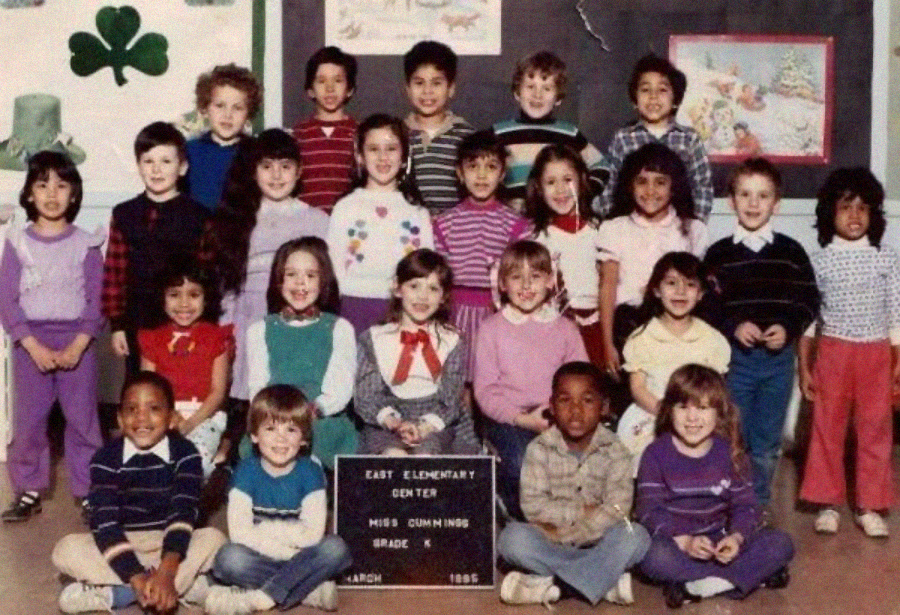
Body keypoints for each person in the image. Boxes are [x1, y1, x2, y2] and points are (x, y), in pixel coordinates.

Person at [202, 128, 329, 462]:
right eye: (267, 166)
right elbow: (227, 287)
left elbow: (325, 283)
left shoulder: (316, 220)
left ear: (300, 171)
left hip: (293, 317)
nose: (276, 175)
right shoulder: (237, 218)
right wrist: (226, 334)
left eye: (285, 166)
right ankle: (242, 460)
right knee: (247, 393)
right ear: (253, 170)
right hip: (246, 315)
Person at [51, 372, 226, 614]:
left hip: (170, 544)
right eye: (132, 409)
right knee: (65, 550)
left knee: (215, 540)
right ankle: (179, 588)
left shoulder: (187, 454)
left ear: (172, 418)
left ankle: (117, 593)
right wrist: (136, 577)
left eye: (154, 408)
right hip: (123, 542)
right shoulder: (105, 458)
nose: (141, 417)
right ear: (120, 419)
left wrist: (166, 570)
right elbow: (105, 523)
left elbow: (183, 513)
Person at [704, 158, 818, 508]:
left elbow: (809, 298)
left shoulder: (791, 252)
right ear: (731, 201)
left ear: (776, 204)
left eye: (763, 196)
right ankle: (729, 504)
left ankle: (757, 506)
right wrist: (733, 326)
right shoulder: (718, 253)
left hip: (777, 363)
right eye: (745, 194)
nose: (754, 203)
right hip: (735, 362)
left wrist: (789, 327)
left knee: (767, 440)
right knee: (732, 435)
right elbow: (707, 304)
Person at [0, 151, 103, 522]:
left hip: (78, 341)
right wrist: (30, 343)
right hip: (32, 343)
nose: (52, 193)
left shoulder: (87, 244)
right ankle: (28, 489)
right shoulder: (17, 243)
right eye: (42, 184)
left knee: (83, 420)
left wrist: (79, 343)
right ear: (29, 194)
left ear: (74, 194)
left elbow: (96, 299)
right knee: (28, 422)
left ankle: (91, 492)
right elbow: (7, 299)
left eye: (62, 185)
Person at [636, 364, 793, 609]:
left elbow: (746, 506)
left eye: (703, 408)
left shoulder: (731, 453)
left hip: (720, 541)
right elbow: (648, 511)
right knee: (651, 556)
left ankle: (697, 585)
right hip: (676, 542)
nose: (692, 418)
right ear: (669, 410)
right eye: (682, 407)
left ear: (719, 413)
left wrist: (736, 538)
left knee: (781, 543)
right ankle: (738, 580)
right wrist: (685, 541)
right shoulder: (655, 454)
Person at [497, 361, 650, 607]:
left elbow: (619, 509)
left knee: (637, 537)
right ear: (552, 407)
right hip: (552, 542)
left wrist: (575, 526)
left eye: (587, 401)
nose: (576, 410)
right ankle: (603, 582)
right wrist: (582, 512)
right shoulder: (539, 449)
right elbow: (534, 508)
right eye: (565, 400)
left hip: (600, 543)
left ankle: (556, 587)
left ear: (604, 407)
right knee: (511, 539)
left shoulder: (617, 450)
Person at [798, 167, 898, 538]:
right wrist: (804, 366)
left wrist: (897, 360)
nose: (855, 215)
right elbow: (808, 320)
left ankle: (870, 505)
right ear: (830, 213)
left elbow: (896, 312)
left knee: (875, 430)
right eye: (845, 207)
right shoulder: (819, 260)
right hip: (834, 352)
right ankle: (827, 503)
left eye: (863, 208)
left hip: (875, 353)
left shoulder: (885, 258)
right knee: (828, 426)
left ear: (874, 214)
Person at [205, 385, 352, 614]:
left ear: (304, 439)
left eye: (291, 430)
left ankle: (265, 596)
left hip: (301, 553)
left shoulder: (311, 473)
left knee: (336, 548)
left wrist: (265, 531)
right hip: (277, 558)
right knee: (229, 558)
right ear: (254, 435)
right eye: (271, 428)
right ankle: (307, 590)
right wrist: (293, 558)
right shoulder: (245, 472)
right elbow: (240, 534)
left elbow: (313, 536)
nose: (281, 439)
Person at [474, 240, 588, 519]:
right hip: (508, 419)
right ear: (502, 284)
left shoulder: (565, 329)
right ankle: (517, 516)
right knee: (522, 462)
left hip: (556, 417)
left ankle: (566, 522)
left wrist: (558, 418)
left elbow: (581, 382)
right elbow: (486, 392)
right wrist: (522, 420)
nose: (526, 286)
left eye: (535, 277)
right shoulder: (491, 330)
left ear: (550, 281)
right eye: (516, 277)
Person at [102, 121, 207, 374]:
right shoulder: (124, 214)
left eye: (166, 162)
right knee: (141, 389)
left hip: (185, 320)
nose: (157, 170)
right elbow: (114, 275)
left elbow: (207, 275)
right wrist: (117, 325)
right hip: (137, 322)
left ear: (182, 167)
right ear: (138, 165)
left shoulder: (198, 216)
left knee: (182, 387)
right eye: (148, 161)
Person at [597, 142, 708, 379]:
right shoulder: (615, 228)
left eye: (660, 182)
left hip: (676, 323)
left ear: (674, 187)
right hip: (629, 325)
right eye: (641, 181)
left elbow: (696, 290)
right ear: (629, 185)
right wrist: (607, 345)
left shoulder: (692, 230)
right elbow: (607, 288)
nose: (650, 191)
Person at [246, 237, 357, 469]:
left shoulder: (339, 328)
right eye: (291, 275)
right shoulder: (259, 330)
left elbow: (341, 384)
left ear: (323, 281)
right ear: (278, 281)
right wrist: (278, 418)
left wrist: (316, 410)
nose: (300, 284)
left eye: (310, 275)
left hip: (321, 419)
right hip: (275, 417)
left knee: (317, 448)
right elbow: (258, 385)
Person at [355, 249, 478, 455]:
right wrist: (392, 422)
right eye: (414, 286)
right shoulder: (375, 338)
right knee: (392, 455)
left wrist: (424, 427)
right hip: (387, 417)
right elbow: (366, 393)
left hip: (437, 419)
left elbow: (451, 396)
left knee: (427, 454)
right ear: (397, 287)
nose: (423, 296)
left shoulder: (451, 340)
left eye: (433, 288)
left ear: (443, 296)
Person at [617, 252, 730, 473]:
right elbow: (637, 389)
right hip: (652, 413)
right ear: (657, 290)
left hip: (698, 416)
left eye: (690, 284)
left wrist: (691, 417)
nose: (680, 291)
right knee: (649, 451)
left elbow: (717, 391)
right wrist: (668, 415)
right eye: (671, 283)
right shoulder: (643, 337)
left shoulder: (712, 340)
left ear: (700, 293)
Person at [433, 129, 532, 376]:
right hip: (454, 314)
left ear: (502, 174)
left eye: (490, 167)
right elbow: (438, 276)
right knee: (457, 379)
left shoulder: (516, 224)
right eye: (473, 166)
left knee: (494, 378)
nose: (481, 175)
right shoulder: (444, 223)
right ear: (460, 173)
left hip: (497, 313)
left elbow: (520, 275)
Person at [327, 114, 433, 334]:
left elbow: (425, 273)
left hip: (401, 310)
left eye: (391, 149)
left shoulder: (417, 211)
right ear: (360, 157)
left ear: (404, 157)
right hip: (352, 308)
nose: (383, 157)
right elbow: (333, 272)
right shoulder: (345, 207)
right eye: (374, 149)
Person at [138, 256, 233, 477]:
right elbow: (147, 390)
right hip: (163, 414)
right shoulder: (153, 338)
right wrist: (168, 417)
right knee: (148, 463)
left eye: (194, 295)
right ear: (162, 298)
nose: (184, 304)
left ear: (206, 298)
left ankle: (216, 455)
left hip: (204, 416)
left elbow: (218, 392)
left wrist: (190, 424)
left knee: (191, 462)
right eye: (174, 295)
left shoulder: (216, 337)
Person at [599, 54, 713, 220]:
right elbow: (609, 186)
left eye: (662, 90)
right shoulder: (623, 138)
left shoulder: (688, 139)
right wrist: (613, 222)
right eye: (645, 90)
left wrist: (692, 226)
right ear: (634, 100)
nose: (653, 96)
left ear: (676, 100)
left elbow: (702, 187)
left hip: (677, 230)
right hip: (632, 229)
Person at [492, 50, 607, 210]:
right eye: (530, 86)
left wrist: (580, 196)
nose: (537, 95)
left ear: (558, 98)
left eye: (546, 89)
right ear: (517, 93)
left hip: (554, 220)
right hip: (511, 220)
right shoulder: (498, 133)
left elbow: (601, 166)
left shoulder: (569, 134)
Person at [525, 143, 604, 367]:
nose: (560, 190)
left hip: (596, 328)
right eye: (551, 182)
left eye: (568, 180)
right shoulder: (538, 237)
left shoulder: (599, 230)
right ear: (539, 188)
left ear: (582, 180)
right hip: (554, 330)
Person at [403, 40, 475, 216]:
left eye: (436, 83)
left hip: (456, 230)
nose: (427, 91)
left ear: (451, 88)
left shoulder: (467, 137)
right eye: (419, 83)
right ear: (408, 89)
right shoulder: (397, 135)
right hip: (409, 231)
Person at [187, 63, 262, 210]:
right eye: (220, 106)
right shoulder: (189, 151)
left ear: (248, 114)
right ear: (205, 108)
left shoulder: (257, 152)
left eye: (238, 108)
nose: (228, 115)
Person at [292, 46, 358, 213]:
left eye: (337, 80)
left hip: (348, 224)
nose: (329, 88)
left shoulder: (360, 133)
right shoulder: (299, 134)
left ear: (349, 89)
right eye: (321, 81)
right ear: (310, 90)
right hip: (307, 224)